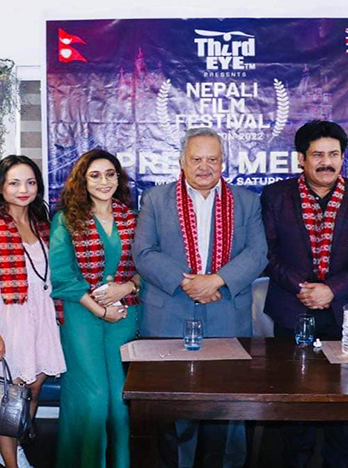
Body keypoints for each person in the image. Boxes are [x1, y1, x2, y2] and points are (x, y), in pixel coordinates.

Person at [133, 127, 268, 468]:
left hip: (226, 315)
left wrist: (216, 281)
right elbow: (144, 252)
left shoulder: (247, 201)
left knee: (222, 413)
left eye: (212, 159)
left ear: (223, 162)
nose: (204, 167)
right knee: (171, 415)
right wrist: (190, 284)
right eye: (196, 159)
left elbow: (258, 253)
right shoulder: (155, 199)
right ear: (182, 161)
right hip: (169, 318)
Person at [261, 120, 348, 468]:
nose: (326, 162)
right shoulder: (276, 195)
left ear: (343, 157)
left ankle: (339, 462)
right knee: (294, 397)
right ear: (301, 159)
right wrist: (303, 288)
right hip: (293, 307)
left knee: (345, 398)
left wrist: (332, 289)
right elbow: (266, 253)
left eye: (334, 154)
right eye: (317, 155)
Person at [0, 155, 66, 468]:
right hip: (8, 318)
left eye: (30, 182)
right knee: (7, 395)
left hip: (41, 315)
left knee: (33, 388)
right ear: (1, 188)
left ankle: (14, 446)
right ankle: (11, 463)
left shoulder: (42, 225)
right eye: (15, 183)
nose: (24, 189)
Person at [49, 149, 141, 468]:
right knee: (94, 397)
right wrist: (101, 310)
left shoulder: (133, 218)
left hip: (125, 314)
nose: (104, 182)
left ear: (119, 178)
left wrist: (127, 287)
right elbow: (62, 277)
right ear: (83, 181)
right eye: (95, 175)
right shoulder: (66, 219)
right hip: (81, 313)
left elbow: (147, 267)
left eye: (110, 174)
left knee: (120, 399)